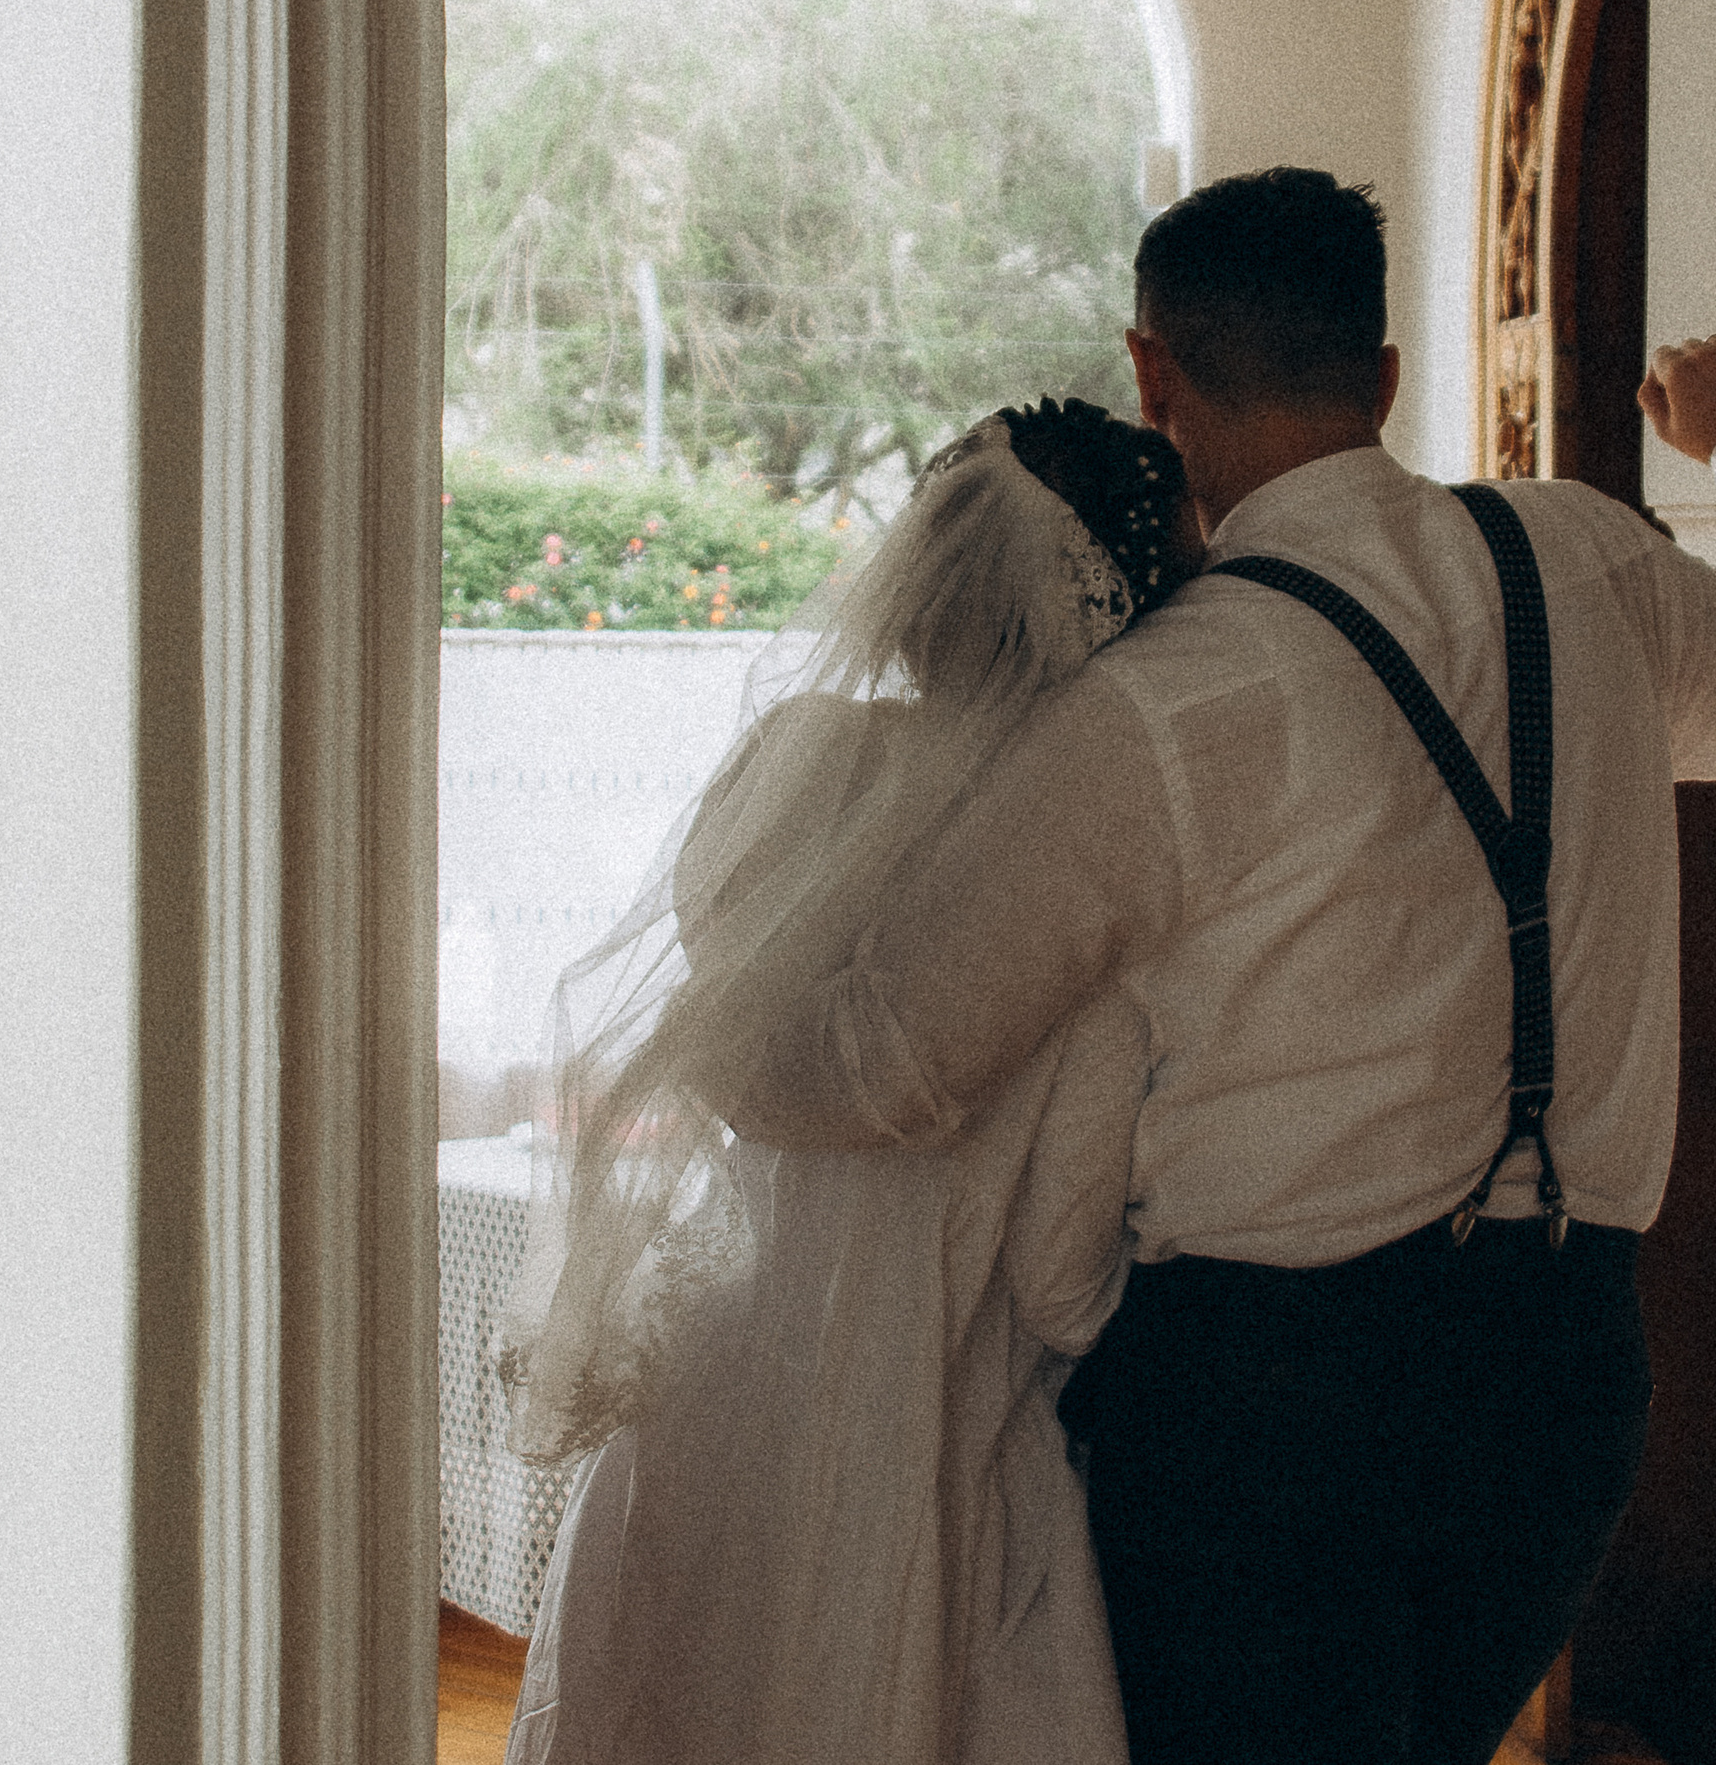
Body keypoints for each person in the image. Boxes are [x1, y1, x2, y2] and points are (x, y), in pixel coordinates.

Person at [707, 167, 1716, 1765]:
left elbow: (882, 1067)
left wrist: (704, 1017)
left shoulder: (1152, 707)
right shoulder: (1583, 562)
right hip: (1567, 1385)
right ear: (1385, 375)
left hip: (1263, 1409)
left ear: (1153, 373)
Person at [495, 397, 1202, 1765]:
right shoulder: (1073, 877)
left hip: (719, 1386)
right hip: (934, 1458)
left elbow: (730, 1042)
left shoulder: (793, 766)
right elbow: (1061, 1282)